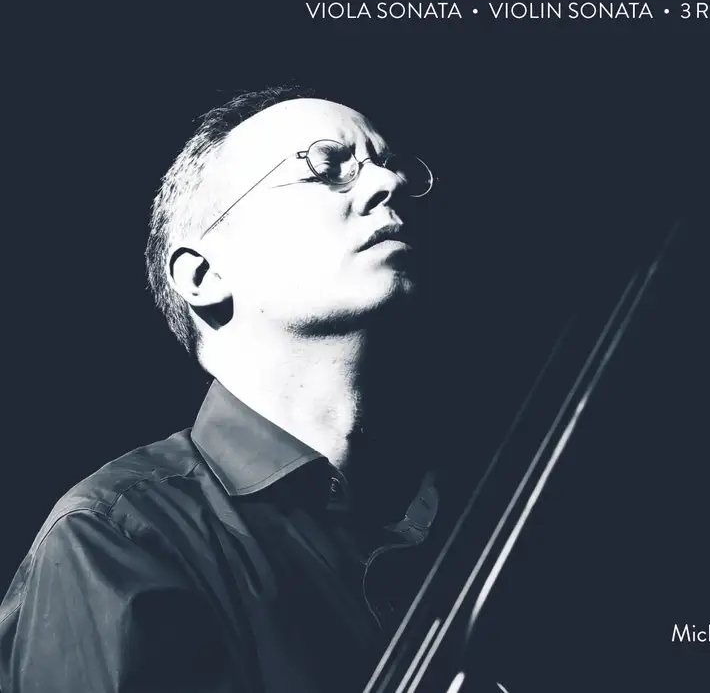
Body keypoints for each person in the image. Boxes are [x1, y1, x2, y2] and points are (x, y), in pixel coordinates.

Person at [0, 85, 445, 692]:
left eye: (391, 167)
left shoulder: (459, 497)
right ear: (204, 275)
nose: (387, 184)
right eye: (327, 166)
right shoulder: (119, 534)